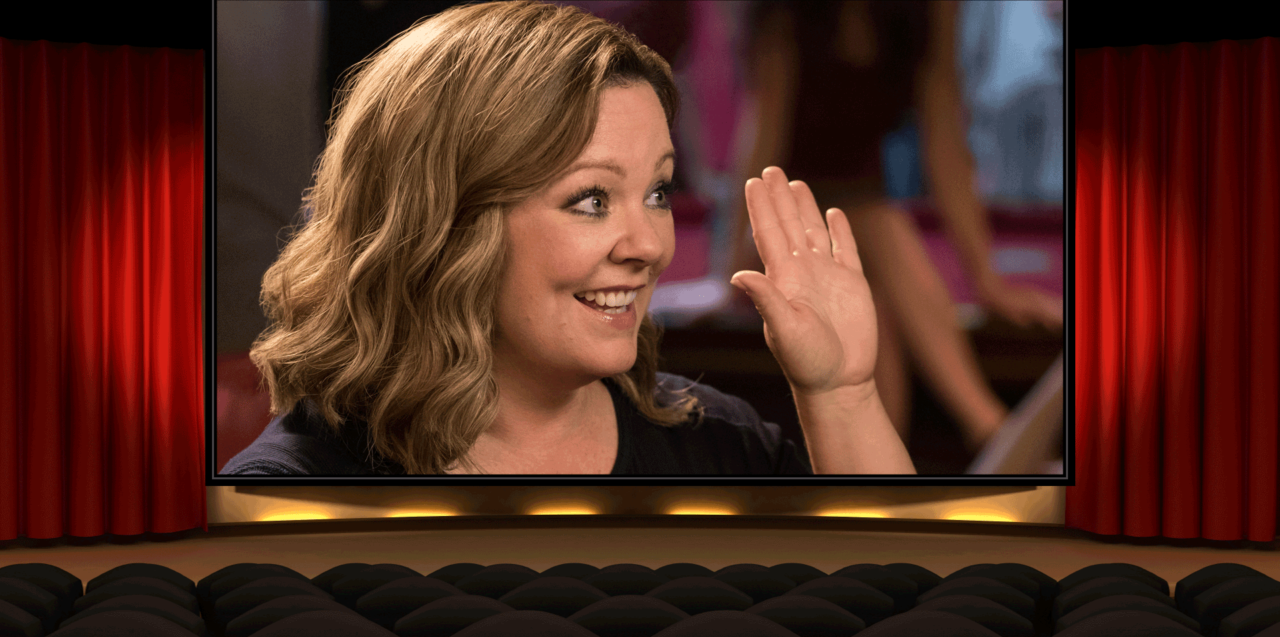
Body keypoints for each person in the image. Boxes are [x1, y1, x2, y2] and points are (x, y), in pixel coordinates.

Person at [220, 0, 915, 476]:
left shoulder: (718, 443)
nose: (649, 246)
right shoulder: (296, 489)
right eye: (592, 200)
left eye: (657, 192)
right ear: (444, 220)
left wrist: (842, 395)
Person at [729, 1, 1063, 454]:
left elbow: (943, 138)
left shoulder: (929, 10)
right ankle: (992, 431)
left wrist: (987, 280)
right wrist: (732, 260)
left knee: (875, 296)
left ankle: (890, 475)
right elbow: (765, 131)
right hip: (785, 225)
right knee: (878, 224)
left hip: (864, 232)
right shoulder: (787, 12)